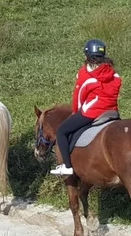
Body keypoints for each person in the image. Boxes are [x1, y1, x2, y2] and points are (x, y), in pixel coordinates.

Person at [48, 39, 121, 176]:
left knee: (62, 131)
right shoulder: (114, 74)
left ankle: (67, 166)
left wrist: (76, 113)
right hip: (112, 112)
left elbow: (78, 97)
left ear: (87, 55)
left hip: (92, 112)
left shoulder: (85, 75)